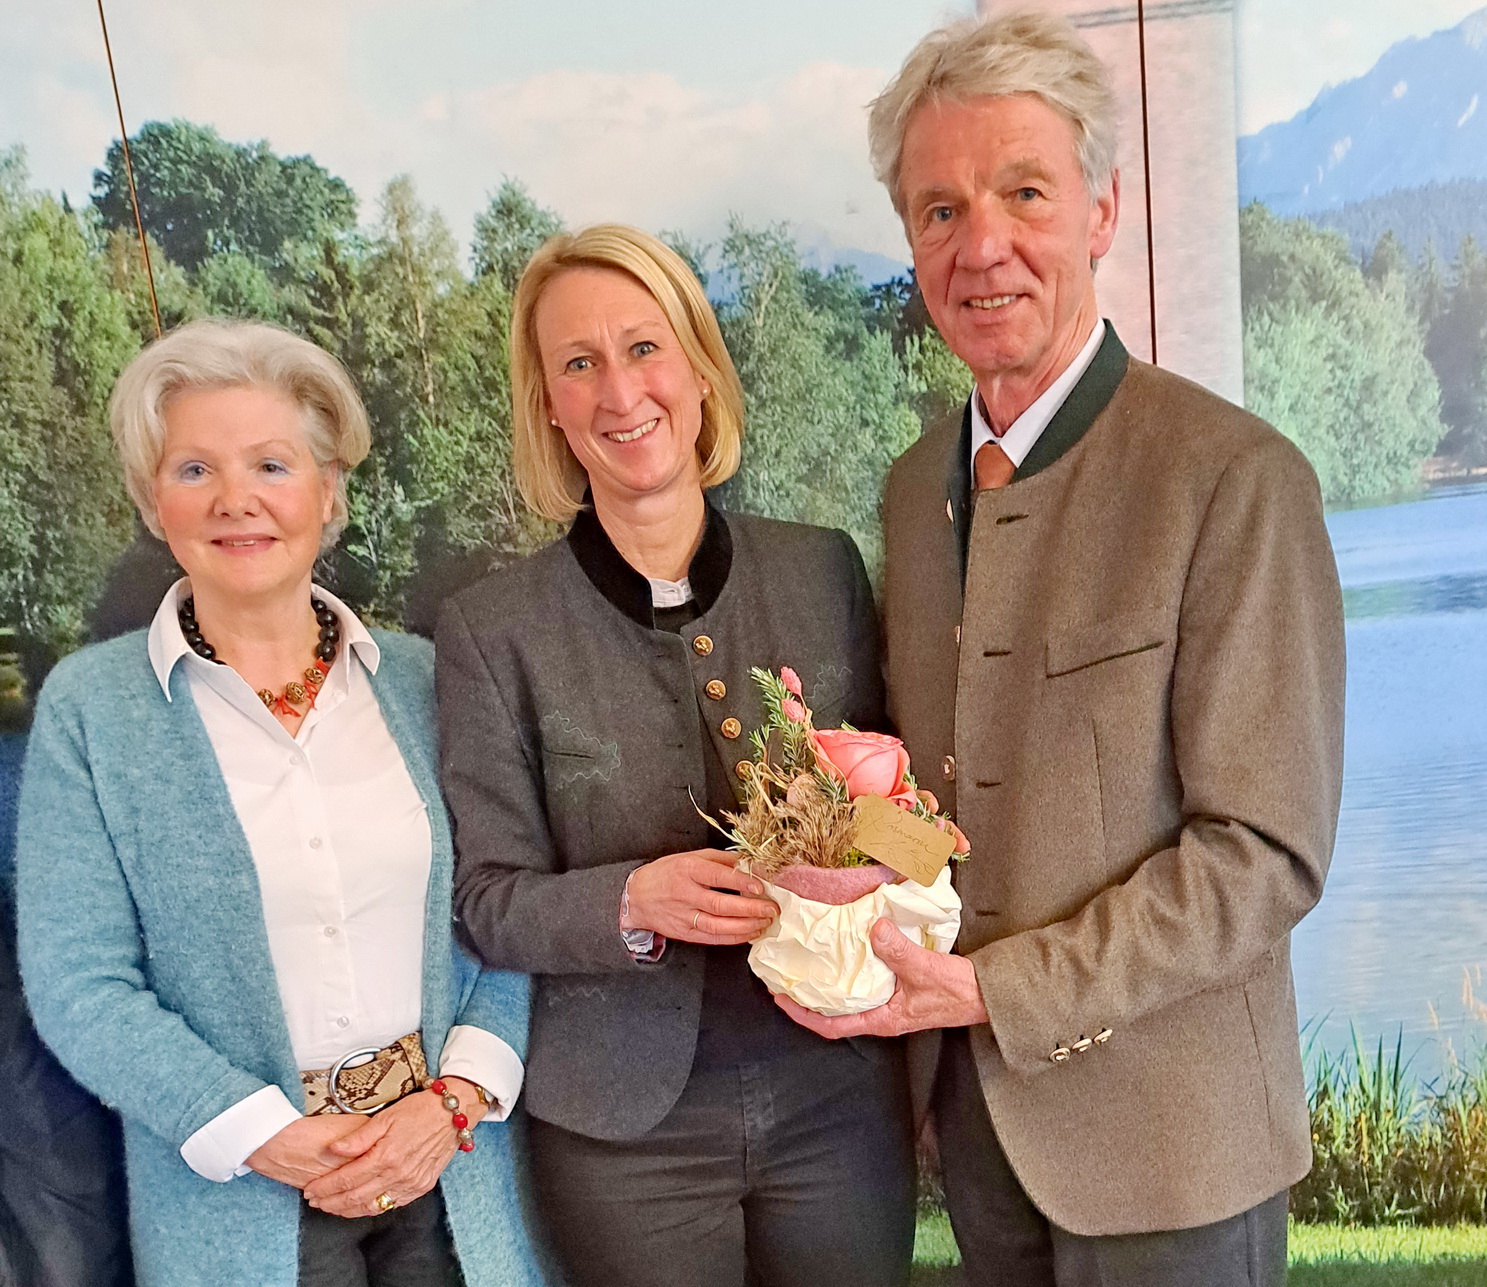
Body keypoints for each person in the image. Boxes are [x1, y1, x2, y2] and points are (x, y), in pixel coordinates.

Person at [776, 12, 1346, 1286]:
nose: (980, 245)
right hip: (979, 1134)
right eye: (938, 209)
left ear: (1101, 209)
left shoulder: (1234, 479)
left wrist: (998, 994)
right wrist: (832, 876)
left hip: (1174, 1152)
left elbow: (1262, 856)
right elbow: (934, 811)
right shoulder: (910, 495)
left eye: (1022, 192)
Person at [15, 319, 544, 1287]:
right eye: (194, 470)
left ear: (328, 491)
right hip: (238, 1198)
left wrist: (456, 1099)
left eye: (271, 463)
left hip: (448, 1165)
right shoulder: (91, 712)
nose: (236, 499)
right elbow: (80, 985)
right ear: (152, 500)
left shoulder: (431, 681)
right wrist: (262, 1133)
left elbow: (507, 910)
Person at [438, 224, 915, 1287]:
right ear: (549, 407)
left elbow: (903, 809)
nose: (620, 392)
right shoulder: (492, 631)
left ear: (699, 368)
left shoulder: (822, 570)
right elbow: (486, 901)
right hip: (622, 1133)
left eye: (644, 347)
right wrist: (631, 899)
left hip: (838, 1090)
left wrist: (882, 845)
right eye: (579, 364)